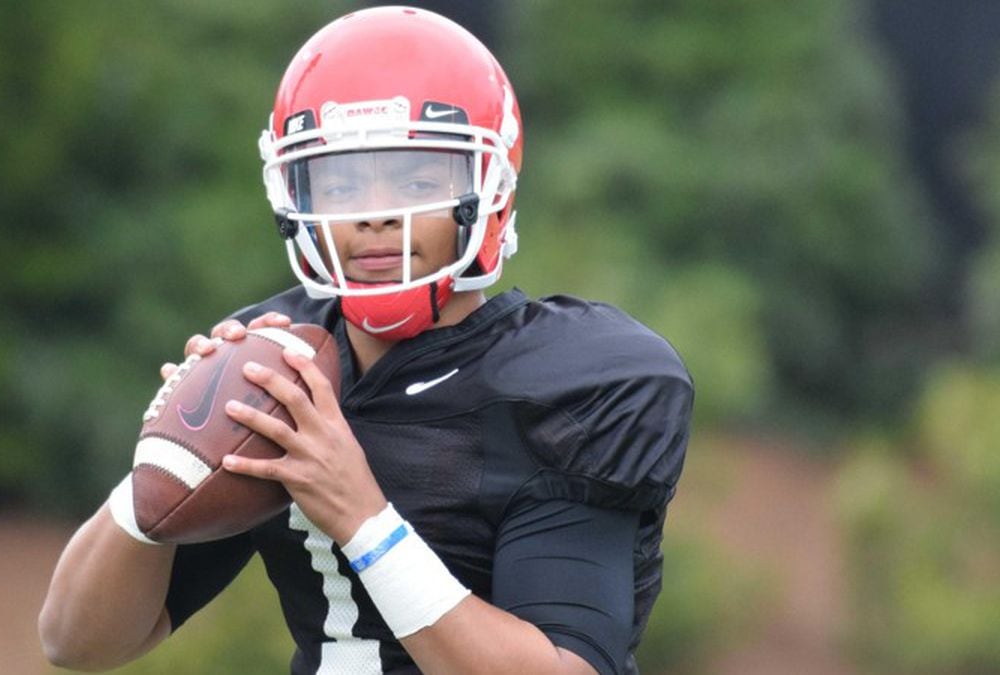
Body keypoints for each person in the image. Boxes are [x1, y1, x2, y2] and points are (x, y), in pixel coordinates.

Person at [39, 7, 692, 675]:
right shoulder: (280, 364)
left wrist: (362, 517)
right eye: (342, 182)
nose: (374, 213)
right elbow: (74, 641)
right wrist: (162, 466)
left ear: (489, 188)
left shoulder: (572, 384)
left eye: (416, 180)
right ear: (293, 195)